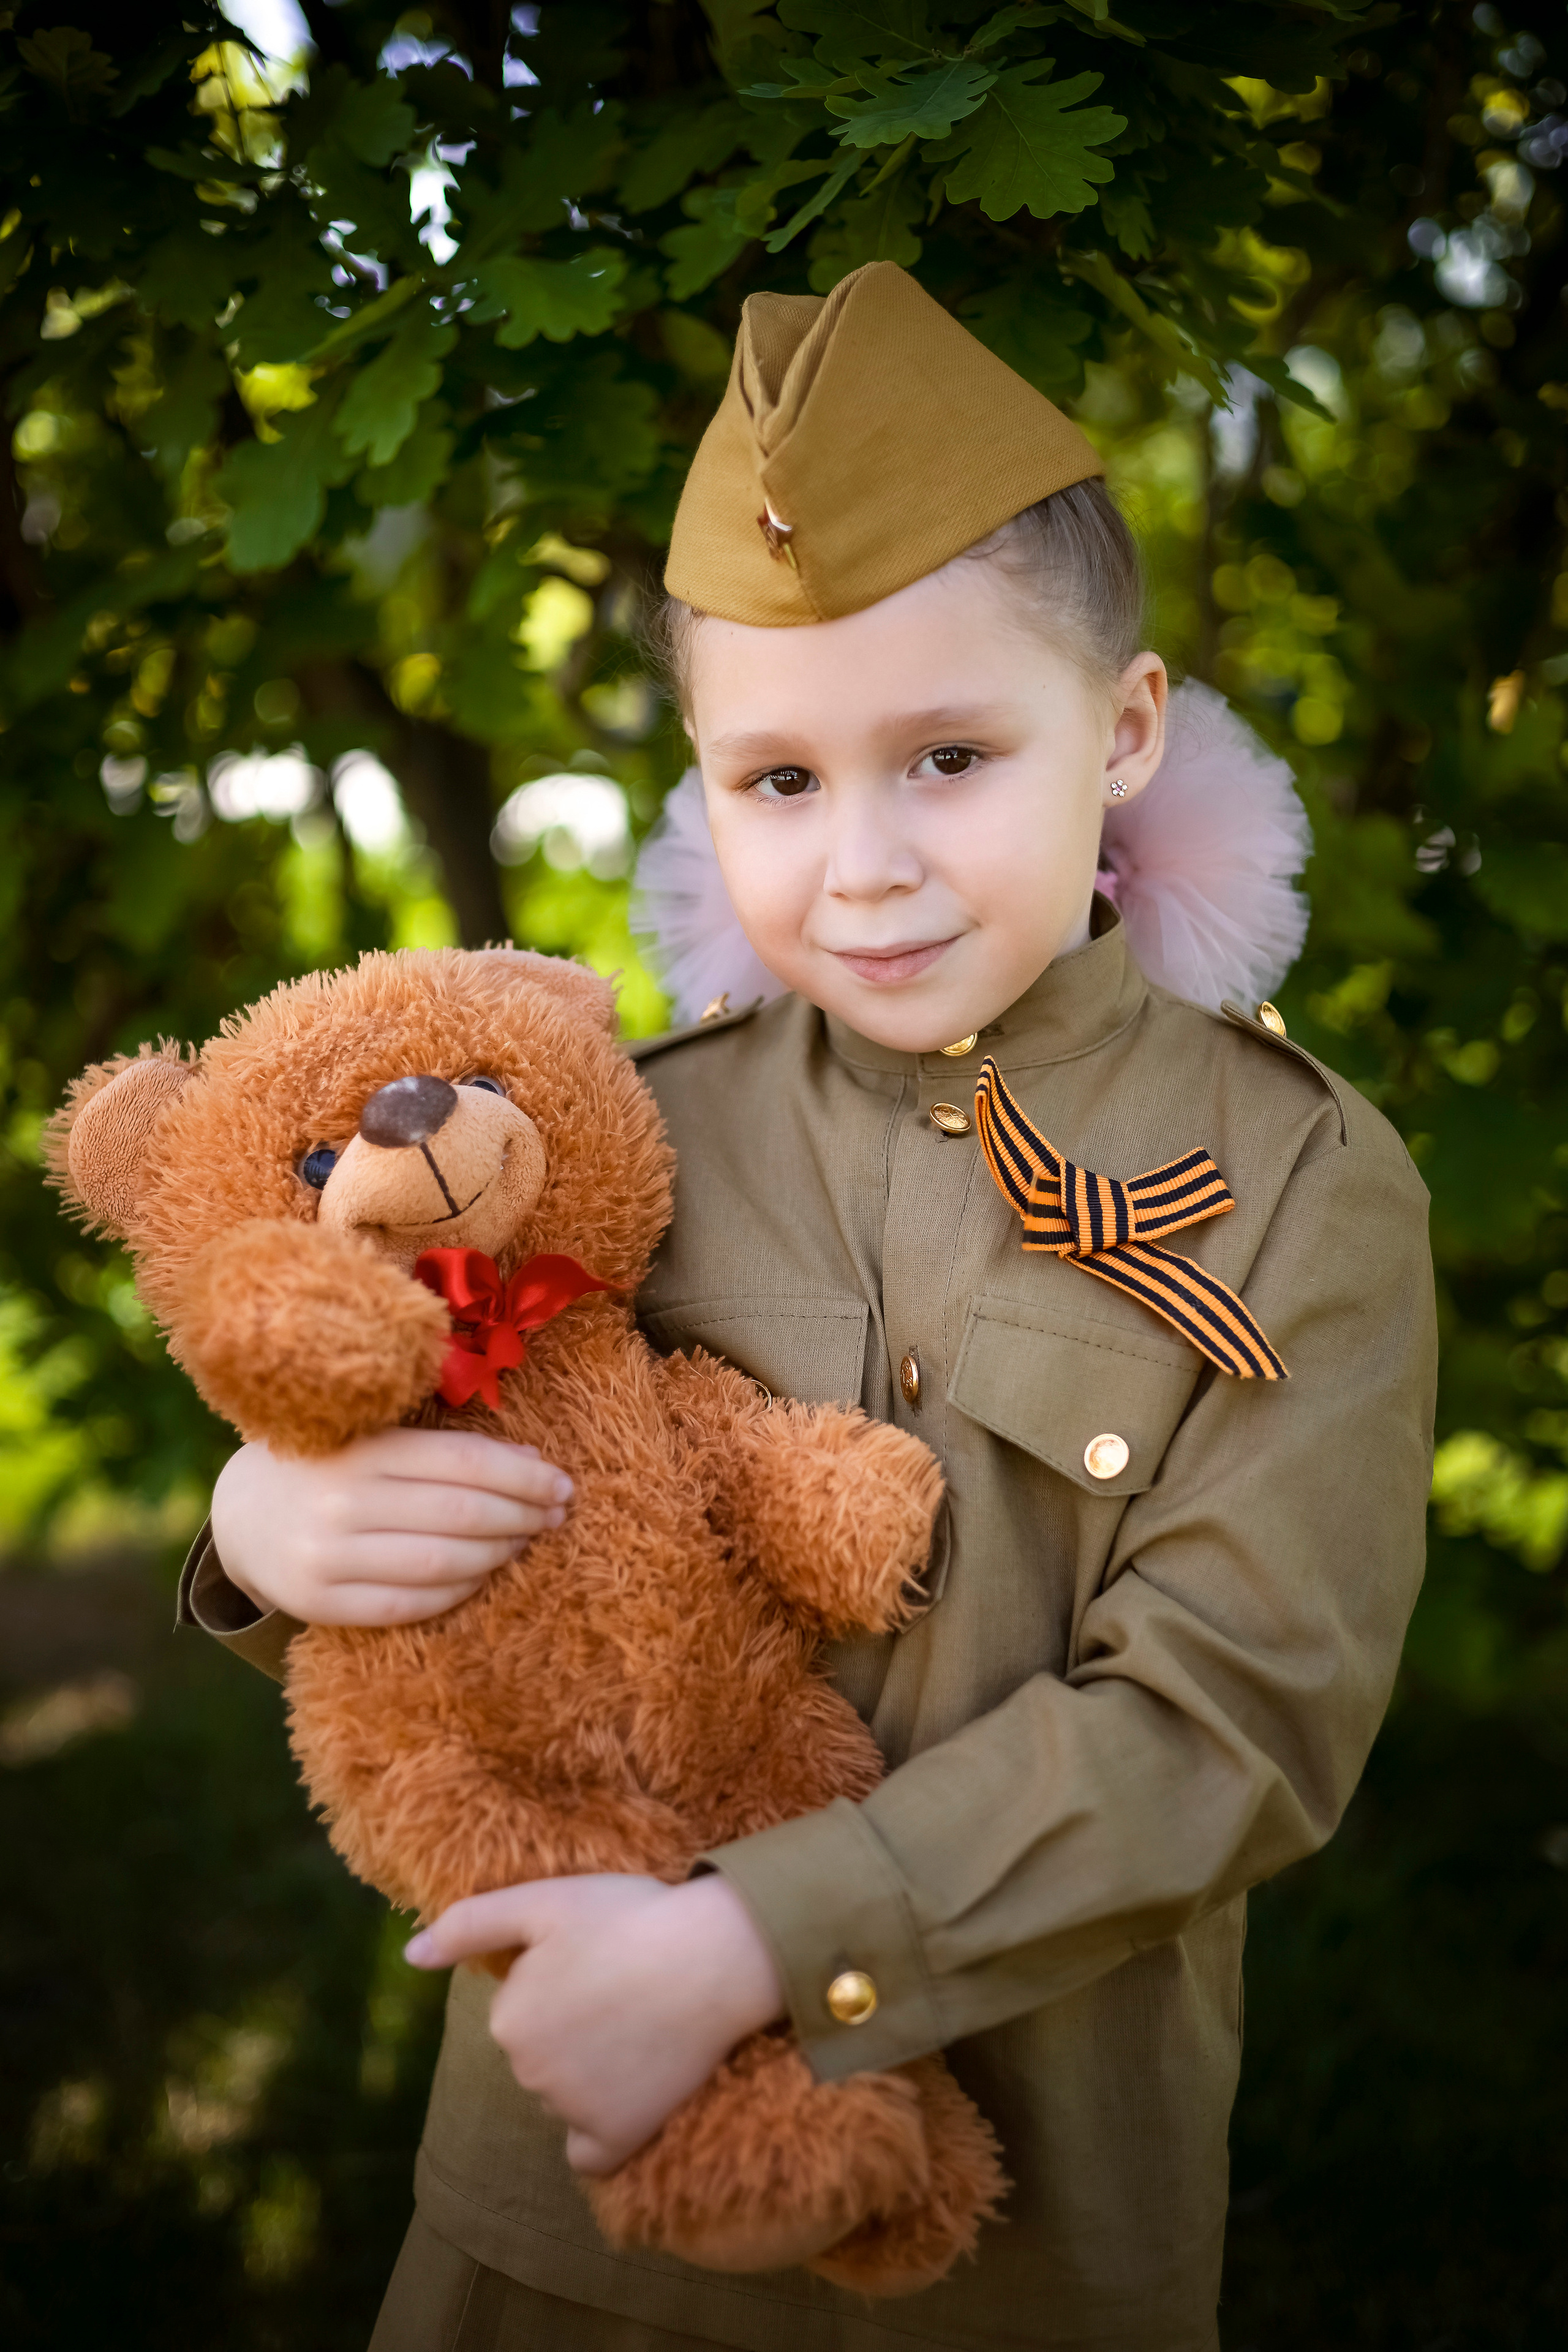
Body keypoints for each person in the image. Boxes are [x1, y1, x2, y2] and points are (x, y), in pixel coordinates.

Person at [180, 262, 1437, 2351]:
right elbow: (456, 1513)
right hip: (554, 2215)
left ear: (1121, 728)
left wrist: (757, 1943)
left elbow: (1240, 1721)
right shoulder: (604, 1147)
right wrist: (263, 1539)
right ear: (699, 771)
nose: (861, 867)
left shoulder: (1299, 1182)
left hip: (1029, 2245)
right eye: (779, 781)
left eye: (946, 755)